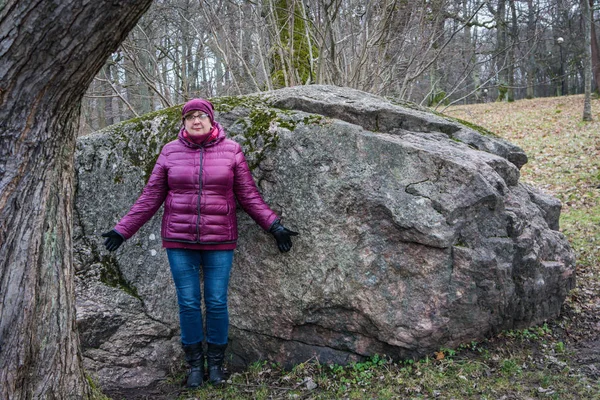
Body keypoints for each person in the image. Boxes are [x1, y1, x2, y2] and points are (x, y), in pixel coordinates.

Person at [101, 98, 298, 389]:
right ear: (183, 122)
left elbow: (248, 196)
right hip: (179, 242)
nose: (196, 121)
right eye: (190, 116)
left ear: (211, 119)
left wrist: (274, 225)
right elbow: (150, 197)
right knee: (189, 303)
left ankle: (216, 364)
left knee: (217, 302)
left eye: (201, 116)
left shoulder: (232, 151)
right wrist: (122, 230)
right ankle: (195, 365)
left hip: (220, 240)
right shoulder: (169, 152)